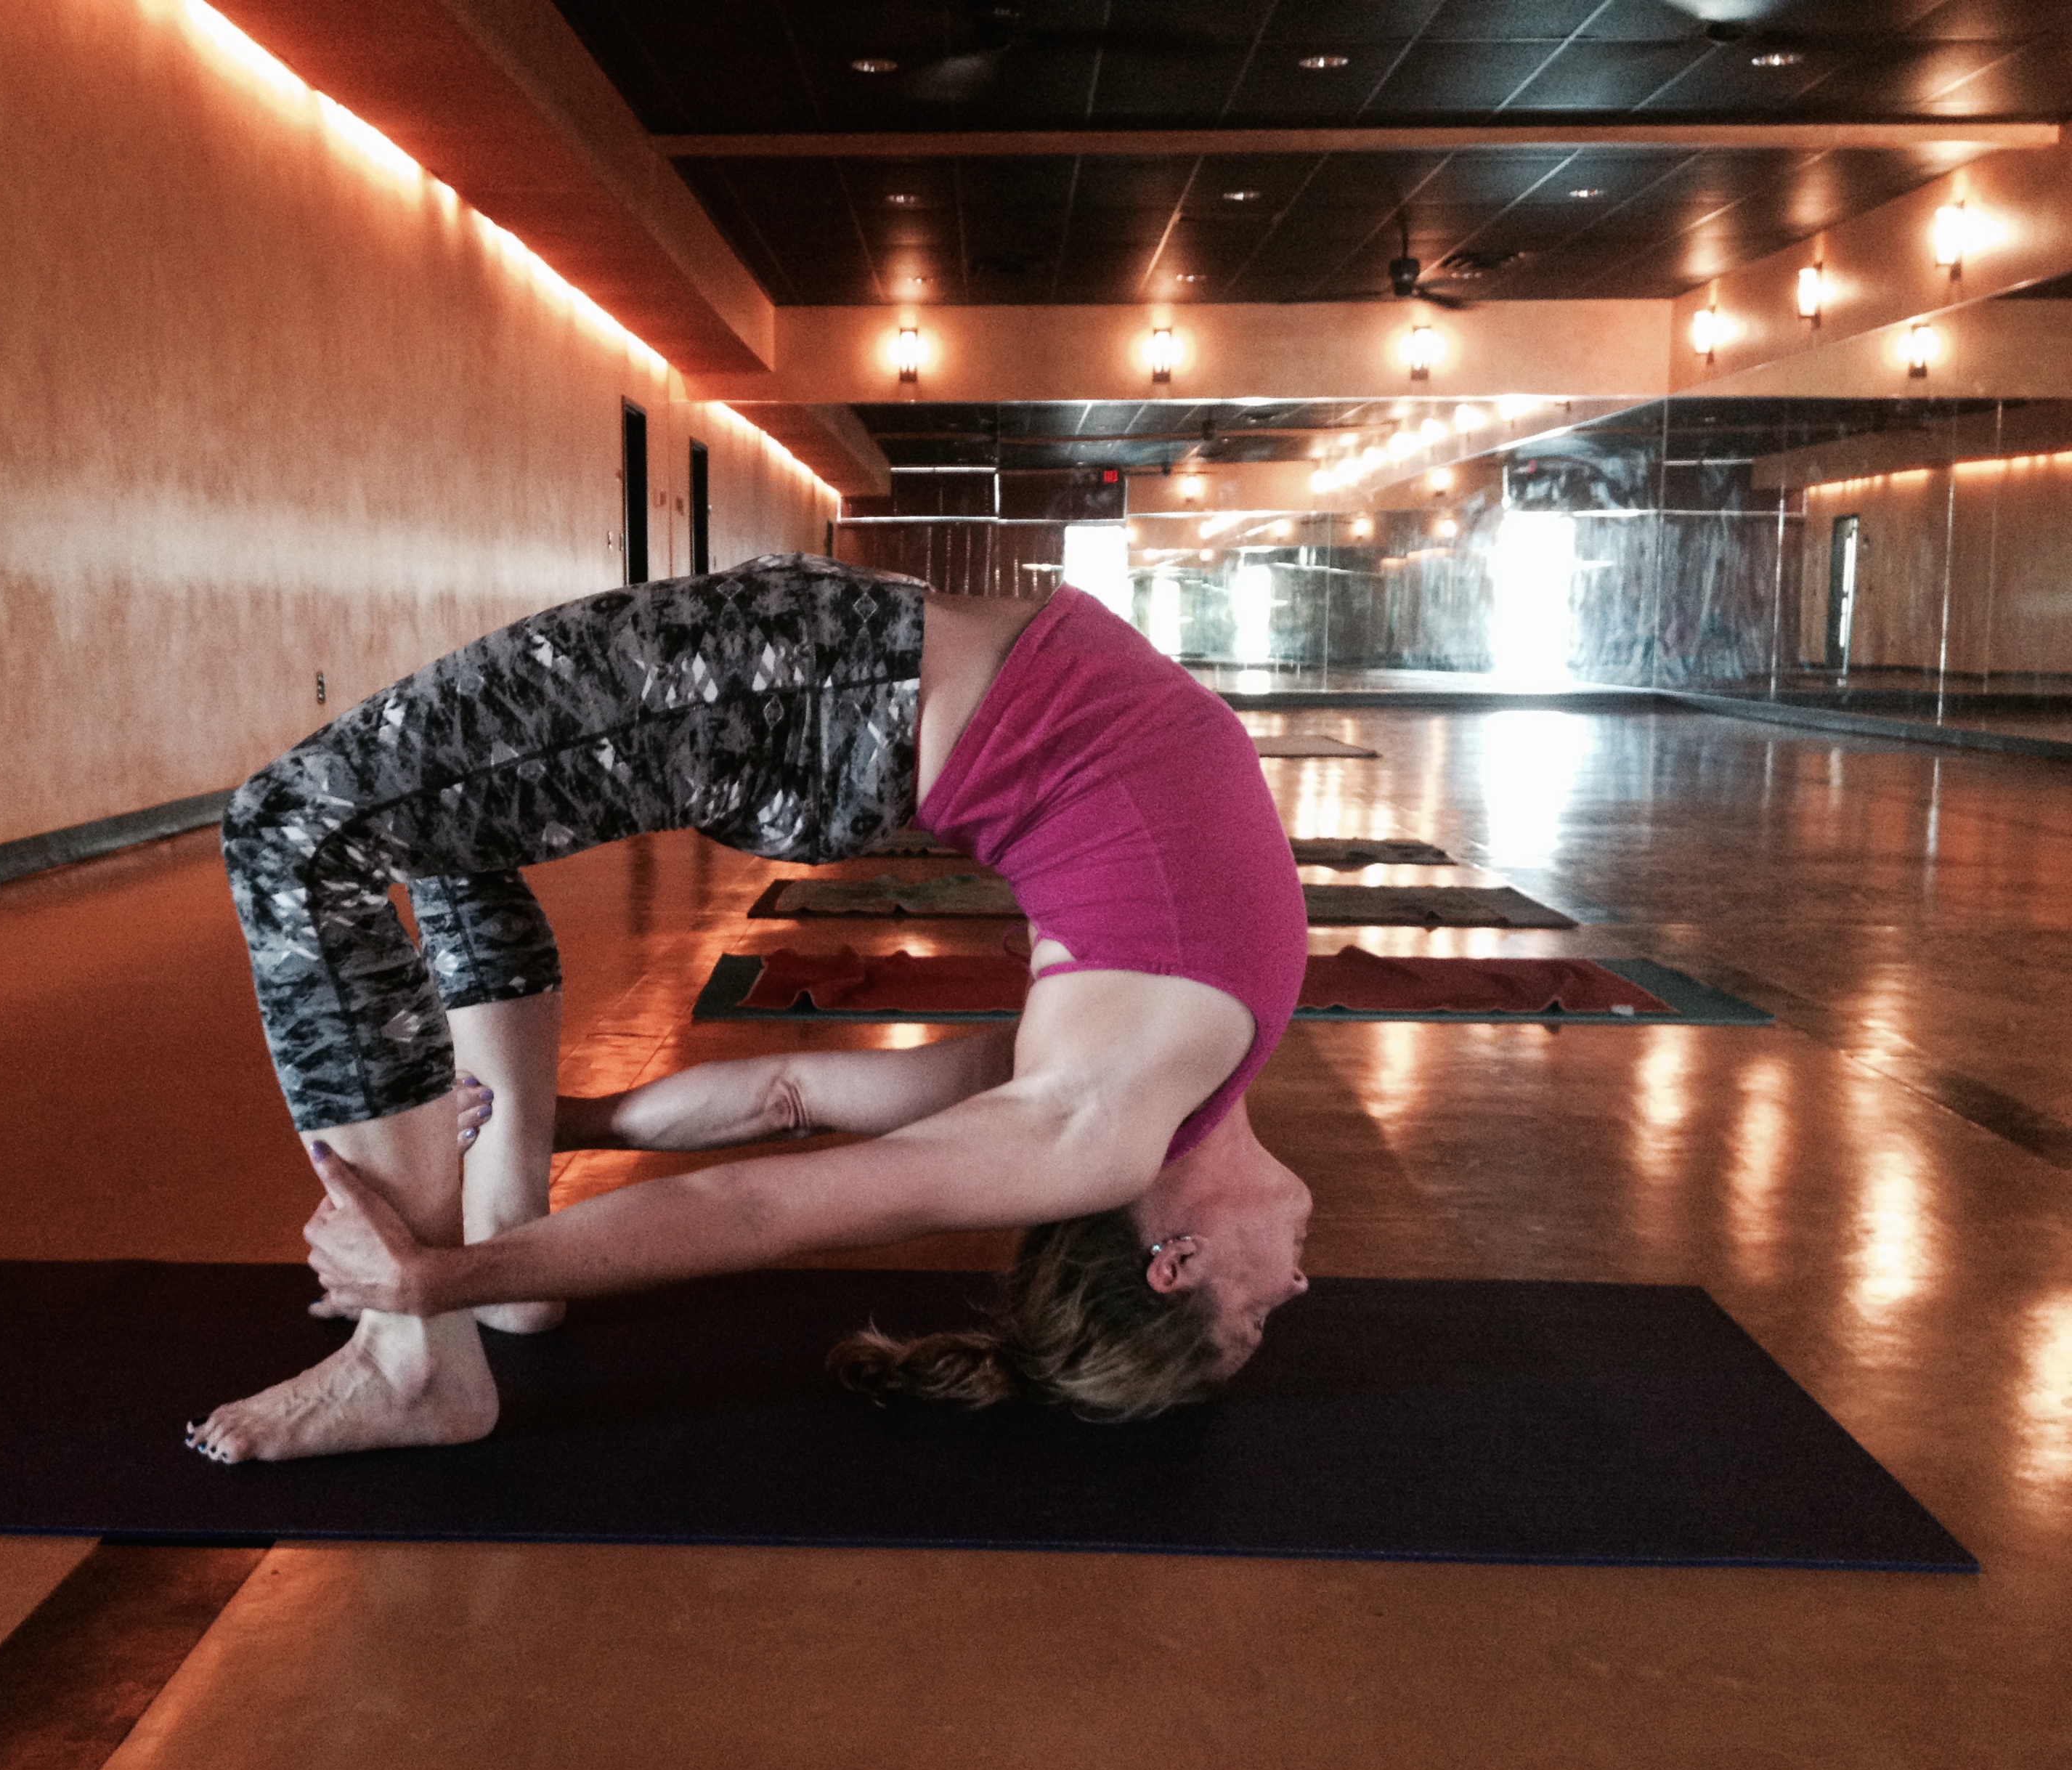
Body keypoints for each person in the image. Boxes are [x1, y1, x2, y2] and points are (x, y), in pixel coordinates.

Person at [186, 553, 1309, 1463]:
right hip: (833, 683)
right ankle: (505, 1204)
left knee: (294, 831)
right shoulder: (1173, 1079)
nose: (1300, 1283)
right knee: (447, 830)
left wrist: (432, 1281)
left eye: (1260, 1314)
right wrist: (573, 1120)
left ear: (1176, 1263)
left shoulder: (1092, 1133)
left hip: (812, 691)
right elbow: (787, 1094)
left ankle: (412, 1354)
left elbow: (755, 1210)